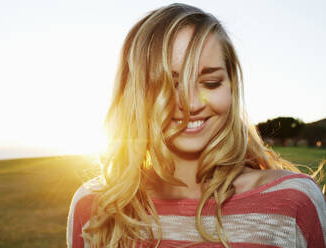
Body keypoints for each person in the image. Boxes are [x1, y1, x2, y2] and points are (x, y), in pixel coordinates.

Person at [67, 3, 326, 248]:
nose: (190, 104)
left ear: (232, 89)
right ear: (136, 94)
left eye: (210, 82)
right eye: (168, 85)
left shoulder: (294, 201)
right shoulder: (93, 207)